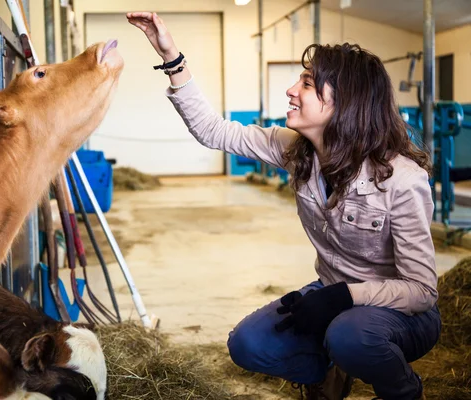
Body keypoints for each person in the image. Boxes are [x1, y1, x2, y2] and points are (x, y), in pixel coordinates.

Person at [126, 11, 441, 400]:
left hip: (400, 316)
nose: (291, 90)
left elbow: (422, 291)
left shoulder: (402, 179)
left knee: (350, 335)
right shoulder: (296, 151)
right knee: (247, 343)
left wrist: (344, 298)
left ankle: (403, 390)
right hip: (332, 293)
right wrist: (172, 57)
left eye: (307, 84)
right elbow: (212, 130)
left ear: (345, 103)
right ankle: (325, 374)